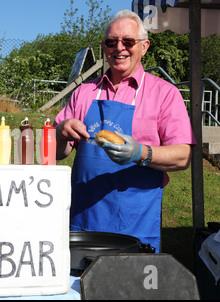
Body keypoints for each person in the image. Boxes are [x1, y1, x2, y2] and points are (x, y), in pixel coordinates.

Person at [54, 10, 196, 252]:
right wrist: (61, 131)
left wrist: (141, 153)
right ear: (104, 47)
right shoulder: (84, 92)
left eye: (128, 42)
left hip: (135, 223)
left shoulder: (164, 94)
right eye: (111, 42)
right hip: (85, 220)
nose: (119, 48)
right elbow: (60, 154)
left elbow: (183, 156)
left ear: (144, 46)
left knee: (132, 289)